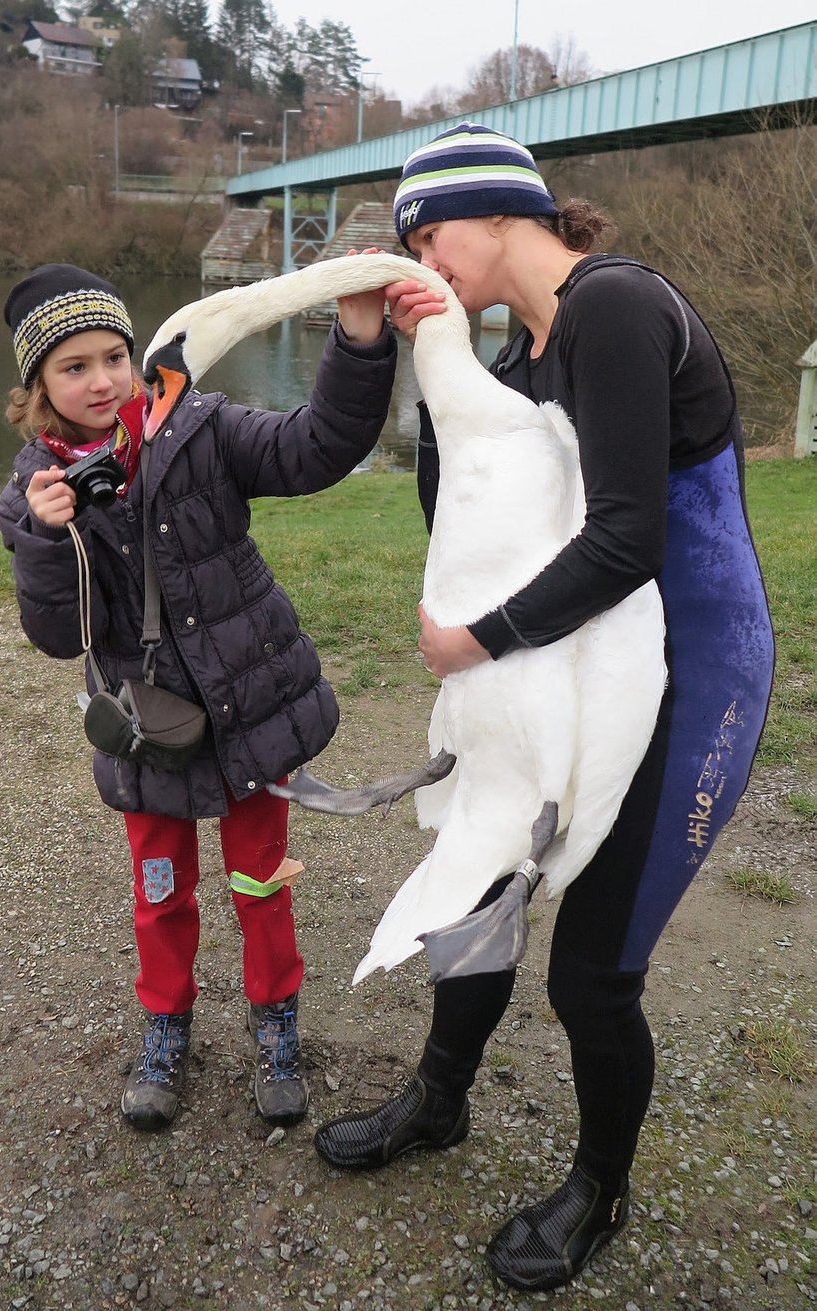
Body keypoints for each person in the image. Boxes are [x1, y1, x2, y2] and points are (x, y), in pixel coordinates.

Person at [313, 124, 775, 1292]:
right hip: (566, 664)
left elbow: (627, 538)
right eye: (409, 239)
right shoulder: (515, 356)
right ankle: (440, 1101)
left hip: (693, 680)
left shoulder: (613, 306)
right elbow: (460, 513)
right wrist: (441, 358)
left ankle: (599, 1190)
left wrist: (473, 642)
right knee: (475, 883)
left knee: (591, 975)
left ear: (504, 212)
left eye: (432, 231)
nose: (422, 252)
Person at [0, 261, 397, 1133]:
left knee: (261, 883)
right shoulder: (32, 494)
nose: (102, 380)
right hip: (145, 732)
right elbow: (58, 636)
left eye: (113, 355)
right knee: (160, 891)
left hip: (251, 712)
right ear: (38, 388)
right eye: (74, 367)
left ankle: (276, 1020)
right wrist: (41, 536)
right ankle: (165, 1027)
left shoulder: (202, 426)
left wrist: (361, 339)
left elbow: (318, 445)